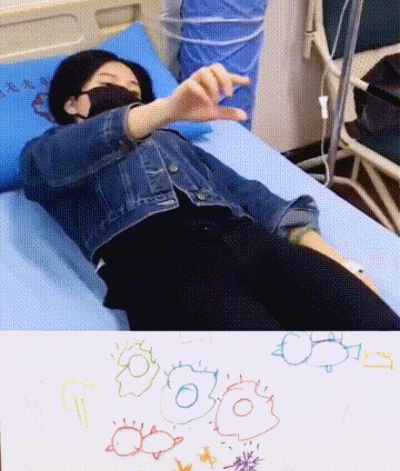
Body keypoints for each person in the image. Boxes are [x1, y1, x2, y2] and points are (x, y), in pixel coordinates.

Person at [21, 50, 400, 329]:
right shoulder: (46, 152)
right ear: (72, 103)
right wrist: (165, 110)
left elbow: (250, 196)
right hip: (161, 268)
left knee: (376, 329)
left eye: (134, 88)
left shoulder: (172, 141)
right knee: (266, 386)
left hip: (249, 241)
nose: (124, 90)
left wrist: (342, 263)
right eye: (108, 83)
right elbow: (55, 163)